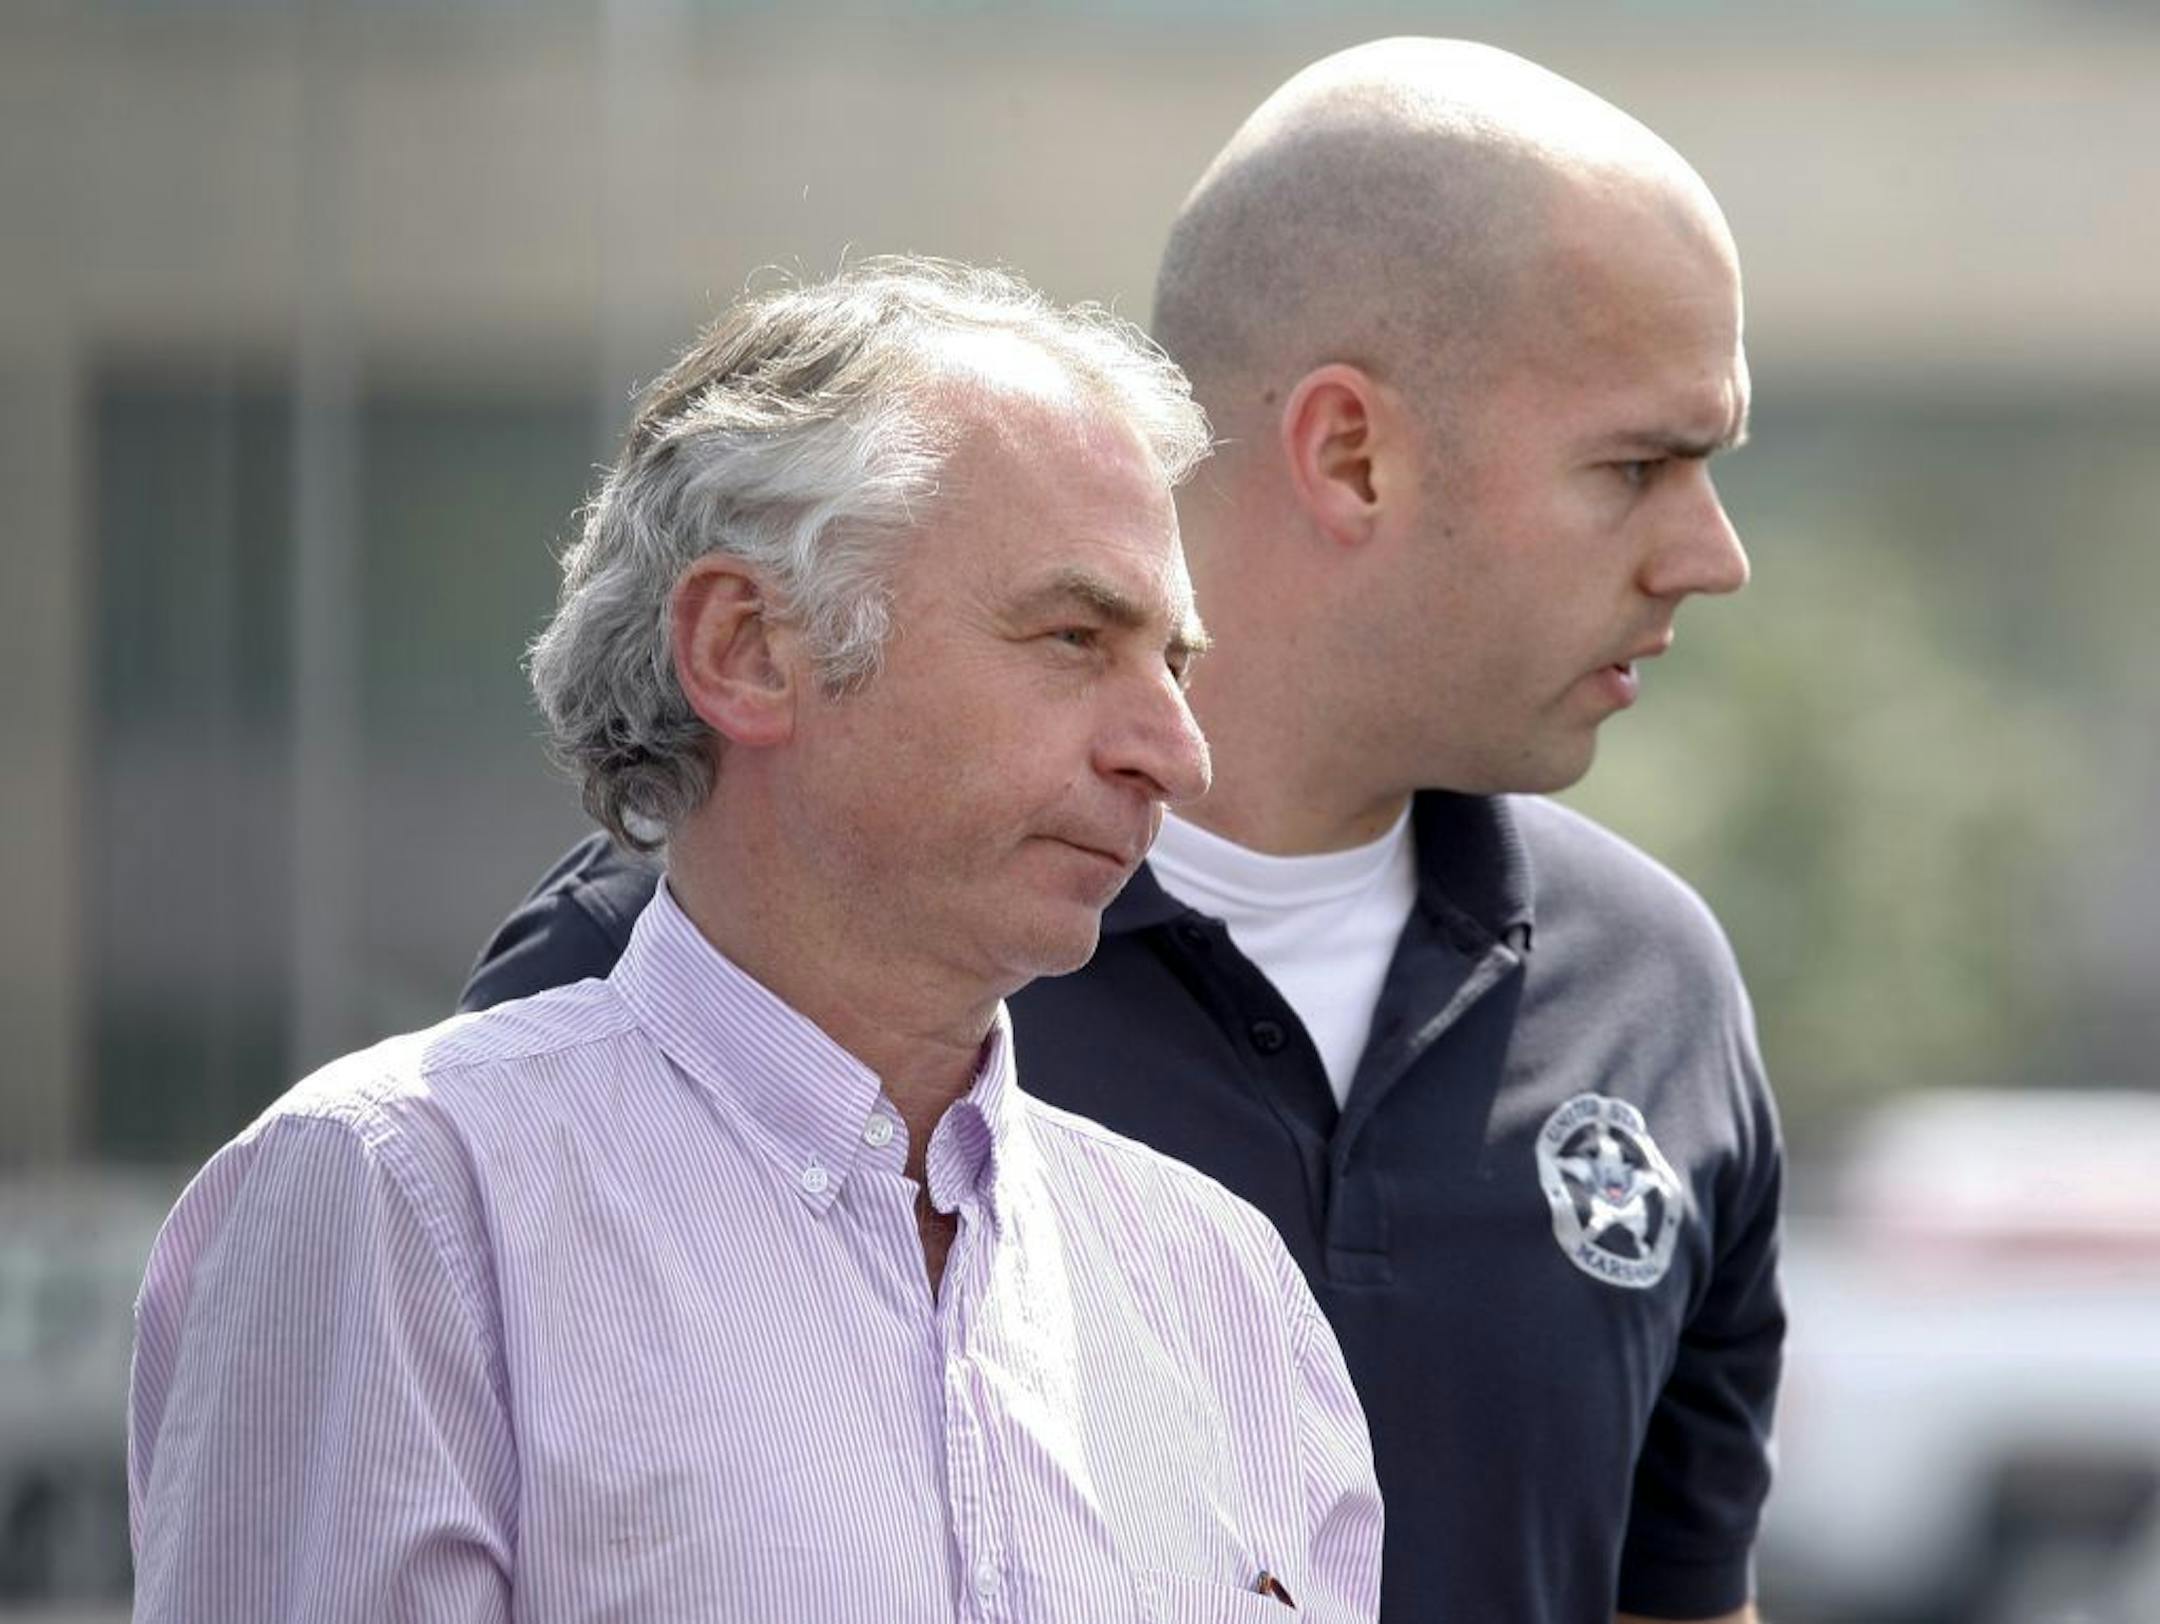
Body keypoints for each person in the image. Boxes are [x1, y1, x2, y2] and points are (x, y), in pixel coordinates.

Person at [464, 38, 1784, 1624]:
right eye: (1637, 465)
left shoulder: (1655, 993)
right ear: (1350, 451)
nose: (1712, 556)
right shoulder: (686, 968)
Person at [128, 259, 1385, 1623]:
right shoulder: (406, 1205)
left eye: (1176, 664)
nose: (1177, 754)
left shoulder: (1225, 1292)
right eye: (1076, 635)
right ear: (745, 650)